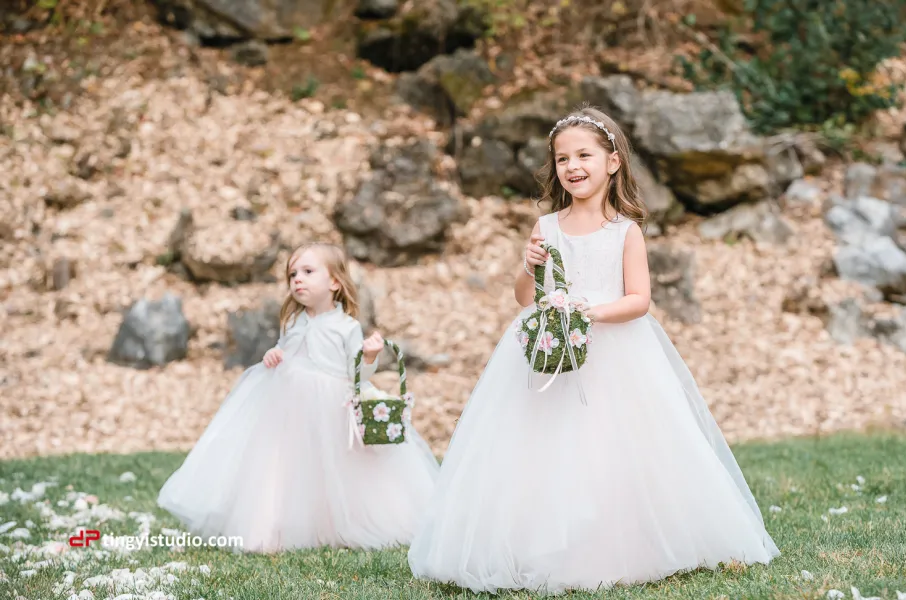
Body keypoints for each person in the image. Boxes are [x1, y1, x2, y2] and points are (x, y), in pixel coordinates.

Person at [407, 107, 780, 593]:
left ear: (612, 162)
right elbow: (525, 297)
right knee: (542, 447)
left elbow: (638, 300)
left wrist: (589, 314)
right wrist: (529, 264)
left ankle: (620, 543)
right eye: (563, 158)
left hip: (615, 353)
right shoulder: (547, 225)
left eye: (584, 154)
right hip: (551, 350)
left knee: (613, 448)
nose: (572, 166)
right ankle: (535, 541)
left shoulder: (625, 231)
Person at [158, 242, 439, 553]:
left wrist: (370, 356)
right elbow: (285, 350)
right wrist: (274, 354)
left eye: (307, 272)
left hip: (331, 406)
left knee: (333, 467)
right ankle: (267, 528)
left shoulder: (346, 327)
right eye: (292, 274)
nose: (297, 280)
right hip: (287, 404)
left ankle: (335, 524)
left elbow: (356, 375)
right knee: (280, 464)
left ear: (334, 282)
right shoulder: (292, 322)